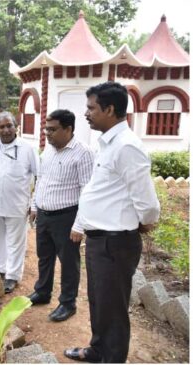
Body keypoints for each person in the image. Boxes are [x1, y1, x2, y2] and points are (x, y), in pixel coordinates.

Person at [64, 82, 160, 363]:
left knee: (113, 308)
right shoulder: (107, 143)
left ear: (109, 109)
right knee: (99, 301)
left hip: (115, 242)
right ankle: (98, 350)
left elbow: (148, 204)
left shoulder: (127, 147)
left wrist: (140, 222)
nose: (86, 113)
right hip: (100, 240)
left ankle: (112, 358)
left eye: (91, 108)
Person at [28, 109, 94, 322]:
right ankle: (42, 292)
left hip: (66, 217)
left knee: (68, 262)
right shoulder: (48, 150)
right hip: (45, 215)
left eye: (53, 129)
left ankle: (68, 303)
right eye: (46, 129)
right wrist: (34, 206)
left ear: (68, 129)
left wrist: (79, 225)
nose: (48, 133)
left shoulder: (83, 153)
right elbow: (41, 180)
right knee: (44, 256)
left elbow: (87, 190)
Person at [0, 111, 38, 293]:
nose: (6, 130)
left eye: (9, 125)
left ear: (16, 127)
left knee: (16, 241)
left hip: (17, 204)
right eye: (2, 127)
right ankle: (0, 269)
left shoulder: (27, 148)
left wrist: (34, 204)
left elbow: (39, 176)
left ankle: (12, 276)